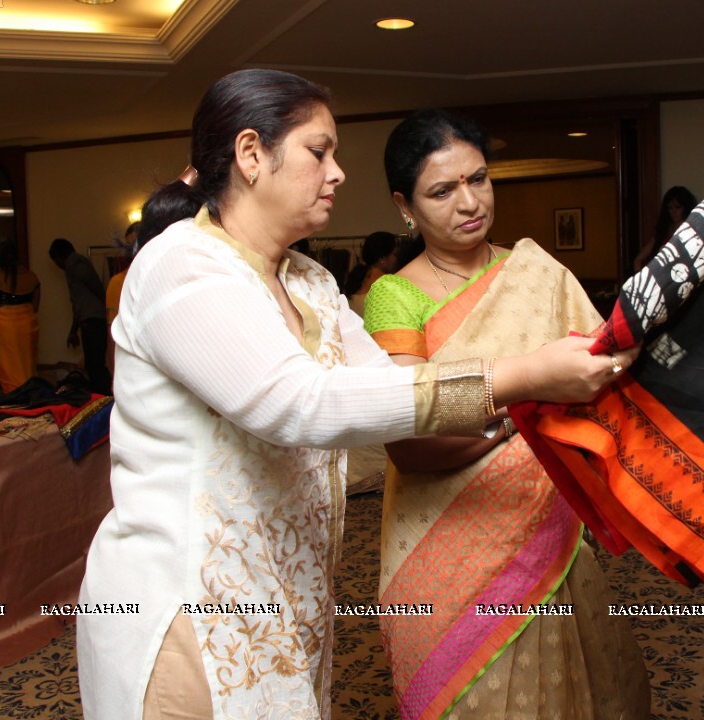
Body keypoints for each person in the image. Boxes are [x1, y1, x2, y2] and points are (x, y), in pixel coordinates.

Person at [76, 70, 632, 720]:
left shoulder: (308, 281)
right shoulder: (183, 266)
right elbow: (301, 404)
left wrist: (537, 388)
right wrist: (524, 376)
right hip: (188, 602)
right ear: (252, 155)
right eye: (320, 152)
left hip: (290, 596)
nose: (338, 173)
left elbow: (390, 390)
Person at [363, 109, 651, 720]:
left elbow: (603, 381)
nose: (469, 202)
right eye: (442, 190)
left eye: (479, 179)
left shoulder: (537, 272)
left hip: (548, 522)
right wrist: (524, 407)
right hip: (447, 542)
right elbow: (409, 444)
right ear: (404, 206)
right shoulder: (396, 295)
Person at [48, 237, 112, 395]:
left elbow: (95, 287)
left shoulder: (75, 264)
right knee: (93, 364)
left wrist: (107, 307)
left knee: (95, 365)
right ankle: (101, 397)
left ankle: (103, 398)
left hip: (94, 320)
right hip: (90, 320)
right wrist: (73, 330)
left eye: (56, 261)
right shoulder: (76, 264)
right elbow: (78, 304)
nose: (58, 266)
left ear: (59, 256)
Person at [0, 241, 40, 392]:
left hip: (3, 322)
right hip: (28, 322)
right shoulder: (32, 276)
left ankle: (12, 393)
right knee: (27, 363)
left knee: (7, 364)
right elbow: (35, 306)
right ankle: (28, 391)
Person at [632, 184, 697, 272]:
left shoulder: (691, 230)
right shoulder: (663, 231)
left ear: (685, 207)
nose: (674, 212)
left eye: (678, 207)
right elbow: (638, 259)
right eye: (670, 208)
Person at [344, 230, 398, 314]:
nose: (396, 259)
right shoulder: (387, 282)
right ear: (382, 259)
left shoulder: (357, 278)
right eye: (394, 254)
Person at [105, 221, 140, 326]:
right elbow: (113, 333)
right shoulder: (118, 282)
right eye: (129, 246)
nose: (134, 251)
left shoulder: (165, 277)